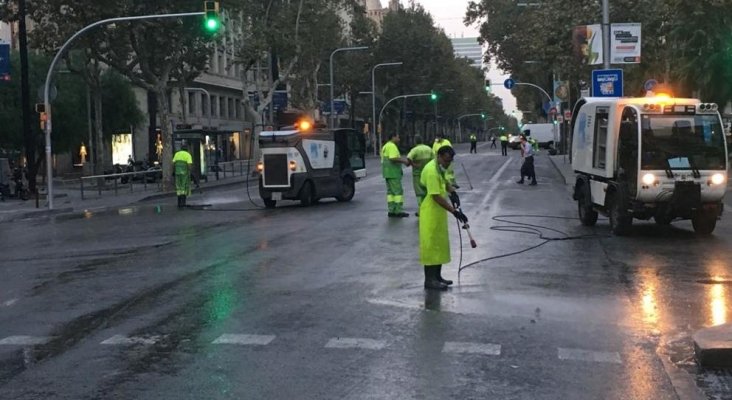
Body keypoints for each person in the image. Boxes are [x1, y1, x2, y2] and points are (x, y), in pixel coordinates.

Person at [419, 146, 467, 291]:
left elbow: (445, 182)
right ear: (439, 156)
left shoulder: (439, 167)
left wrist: (452, 192)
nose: (447, 164)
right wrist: (454, 211)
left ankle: (438, 277)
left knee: (439, 244)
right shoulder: (431, 170)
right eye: (446, 160)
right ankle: (429, 280)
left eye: (450, 161)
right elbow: (436, 197)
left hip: (438, 213)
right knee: (431, 247)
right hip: (430, 212)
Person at [381, 133, 410, 218]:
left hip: (387, 173)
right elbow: (393, 158)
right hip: (393, 173)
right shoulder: (392, 146)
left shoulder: (385, 146)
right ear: (393, 137)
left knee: (390, 193)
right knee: (398, 192)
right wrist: (404, 161)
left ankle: (391, 210)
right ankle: (398, 211)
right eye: (398, 137)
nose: (399, 139)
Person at [406, 135, 434, 216]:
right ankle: (428, 208)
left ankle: (421, 210)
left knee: (419, 193)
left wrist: (413, 165)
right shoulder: (428, 149)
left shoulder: (414, 150)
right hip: (428, 173)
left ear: (415, 141)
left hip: (417, 175)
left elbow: (409, 158)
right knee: (427, 192)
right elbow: (434, 159)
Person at [173, 143, 194, 208]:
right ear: (187, 149)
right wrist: (190, 171)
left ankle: (179, 203)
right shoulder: (188, 155)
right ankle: (183, 203)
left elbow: (173, 163)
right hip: (184, 173)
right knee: (184, 187)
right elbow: (189, 165)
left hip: (177, 173)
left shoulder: (177, 154)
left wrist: (174, 171)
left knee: (178, 187)